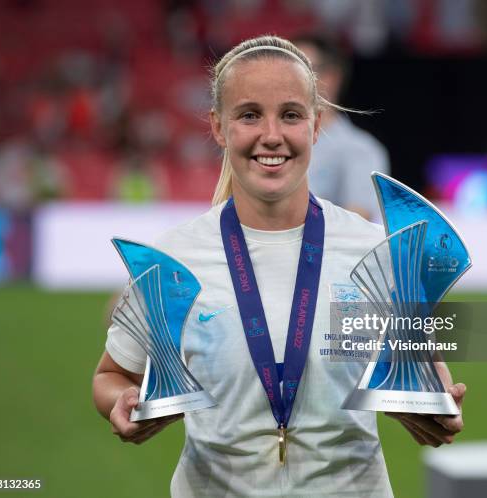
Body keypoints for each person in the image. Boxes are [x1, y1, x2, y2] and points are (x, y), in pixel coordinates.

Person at [92, 35, 465, 498]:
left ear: (316, 125)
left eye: (290, 114)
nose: (271, 135)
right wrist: (122, 403)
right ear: (218, 127)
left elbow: (424, 368)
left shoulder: (376, 252)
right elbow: (111, 376)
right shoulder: (173, 259)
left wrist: (431, 402)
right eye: (249, 115)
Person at [294, 34, 390, 221]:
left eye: (300, 71)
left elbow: (358, 223)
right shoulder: (266, 142)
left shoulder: (361, 149)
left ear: (331, 77)